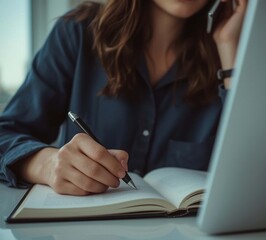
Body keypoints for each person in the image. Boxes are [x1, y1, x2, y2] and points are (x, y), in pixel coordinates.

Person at [0, 0, 247, 195]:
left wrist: (230, 58)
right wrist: (47, 165)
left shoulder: (230, 54)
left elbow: (251, 171)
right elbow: (5, 134)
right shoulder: (78, 33)